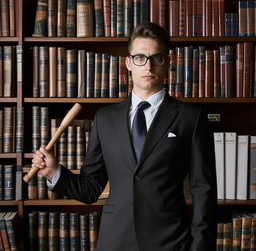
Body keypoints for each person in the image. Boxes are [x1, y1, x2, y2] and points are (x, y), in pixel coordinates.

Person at [32, 22, 217, 251]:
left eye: (156, 58)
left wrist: (200, 247)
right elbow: (91, 189)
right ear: (129, 63)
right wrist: (54, 172)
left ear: (167, 63)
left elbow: (204, 191)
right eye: (140, 57)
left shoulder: (192, 118)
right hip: (115, 240)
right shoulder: (104, 118)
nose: (147, 66)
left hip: (171, 240)